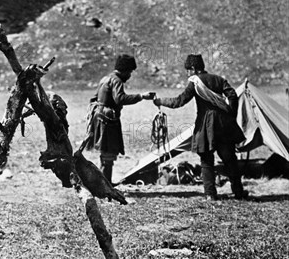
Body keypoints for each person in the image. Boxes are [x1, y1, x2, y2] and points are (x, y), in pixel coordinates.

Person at [153, 54, 248, 200]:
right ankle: (238, 192)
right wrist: (231, 115)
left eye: (187, 70)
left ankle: (210, 194)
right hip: (224, 124)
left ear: (193, 69)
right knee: (230, 159)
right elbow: (232, 95)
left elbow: (179, 101)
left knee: (206, 160)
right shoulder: (219, 79)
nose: (187, 73)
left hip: (206, 124)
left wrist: (160, 101)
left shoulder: (195, 82)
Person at [85, 54, 154, 183]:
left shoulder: (105, 79)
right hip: (108, 120)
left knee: (105, 153)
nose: (130, 75)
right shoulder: (116, 81)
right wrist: (141, 96)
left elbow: (94, 98)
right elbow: (120, 99)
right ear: (125, 70)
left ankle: (103, 182)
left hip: (99, 117)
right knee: (109, 154)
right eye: (130, 72)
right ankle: (106, 185)